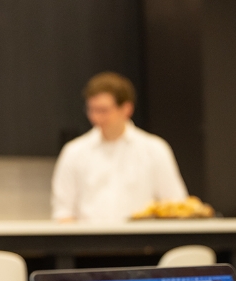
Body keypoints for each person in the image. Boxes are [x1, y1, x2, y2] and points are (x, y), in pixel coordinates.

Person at [51, 72, 188, 223]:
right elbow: (63, 212)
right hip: (88, 243)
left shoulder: (154, 149)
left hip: (142, 242)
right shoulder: (74, 152)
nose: (95, 117)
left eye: (103, 110)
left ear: (126, 109)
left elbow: (176, 205)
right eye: (92, 110)